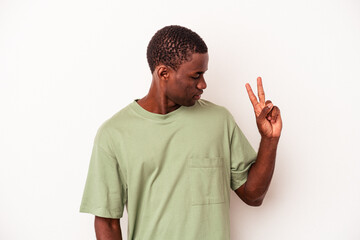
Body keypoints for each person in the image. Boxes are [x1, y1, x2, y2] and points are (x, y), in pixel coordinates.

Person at [80, 25, 282, 240]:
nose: (203, 84)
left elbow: (253, 196)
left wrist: (269, 139)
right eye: (196, 76)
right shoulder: (114, 134)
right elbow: (107, 222)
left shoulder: (219, 120)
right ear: (164, 73)